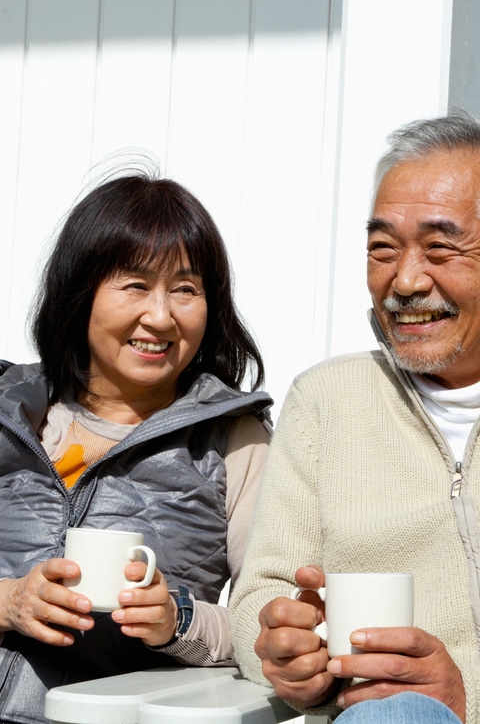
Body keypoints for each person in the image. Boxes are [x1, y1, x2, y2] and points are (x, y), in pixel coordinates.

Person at [230, 112, 480, 724]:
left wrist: (464, 690)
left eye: (440, 247)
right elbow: (260, 590)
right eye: (382, 249)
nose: (406, 281)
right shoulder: (326, 400)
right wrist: (283, 652)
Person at [0, 170, 272, 724]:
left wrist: (178, 622)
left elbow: (266, 621)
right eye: (135, 284)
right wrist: (9, 602)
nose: (161, 316)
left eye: (186, 289)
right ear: (81, 293)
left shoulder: (236, 437)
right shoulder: (9, 411)